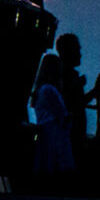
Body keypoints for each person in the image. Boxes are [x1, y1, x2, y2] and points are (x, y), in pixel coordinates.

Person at [32, 52, 76, 176]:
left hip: (45, 130)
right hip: (55, 132)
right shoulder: (50, 89)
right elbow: (62, 113)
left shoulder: (40, 90)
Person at [55, 33, 90, 164]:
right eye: (77, 50)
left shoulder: (61, 73)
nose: (80, 54)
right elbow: (74, 103)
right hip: (70, 135)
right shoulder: (66, 75)